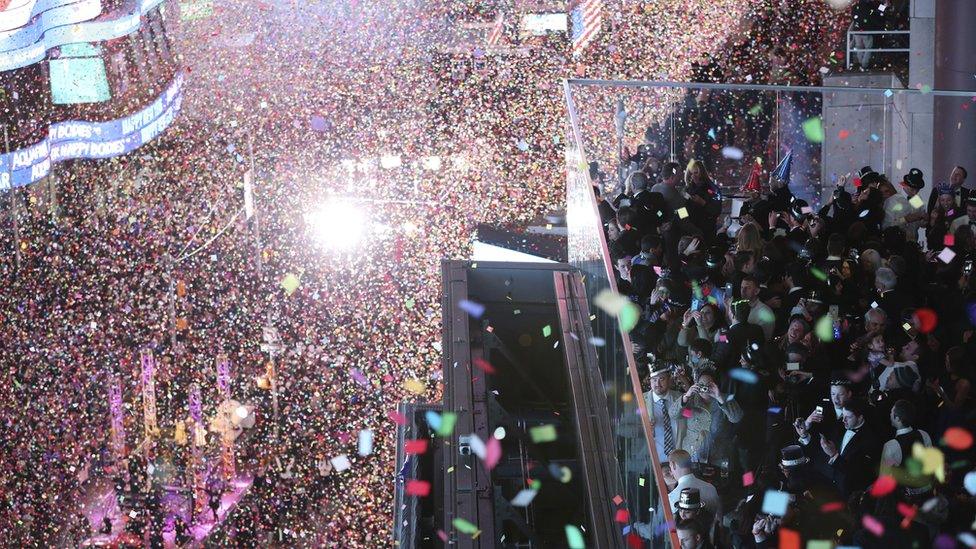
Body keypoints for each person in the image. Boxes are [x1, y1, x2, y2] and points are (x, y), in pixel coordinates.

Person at [881, 399, 933, 500]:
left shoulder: (891, 446)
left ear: (898, 418)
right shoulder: (924, 434)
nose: (890, 414)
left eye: (891, 412)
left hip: (907, 497)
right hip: (929, 489)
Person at [643, 360, 684, 460]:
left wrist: (685, 412)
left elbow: (690, 417)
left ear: (669, 380)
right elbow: (624, 428)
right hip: (650, 461)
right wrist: (642, 429)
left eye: (661, 379)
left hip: (677, 459)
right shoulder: (641, 401)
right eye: (654, 379)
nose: (657, 383)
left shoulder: (680, 399)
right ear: (650, 381)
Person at [667, 449, 720, 520]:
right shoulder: (711, 488)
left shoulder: (672, 497)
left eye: (670, 468)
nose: (671, 473)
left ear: (673, 465)